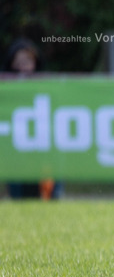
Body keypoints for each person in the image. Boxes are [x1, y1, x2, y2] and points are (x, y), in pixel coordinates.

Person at [3, 38, 60, 200]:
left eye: (27, 62)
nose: (23, 67)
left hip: (40, 143)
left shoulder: (45, 87)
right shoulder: (6, 89)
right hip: (15, 146)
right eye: (19, 62)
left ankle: (52, 197)